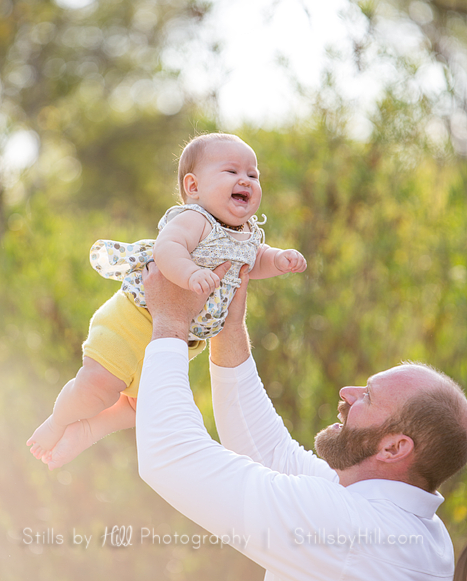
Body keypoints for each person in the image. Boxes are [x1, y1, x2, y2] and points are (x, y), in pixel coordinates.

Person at [136, 261, 467, 581]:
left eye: (368, 396)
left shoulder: (353, 531)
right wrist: (229, 326)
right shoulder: (409, 524)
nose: (347, 393)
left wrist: (170, 323)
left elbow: (169, 456)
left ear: (394, 448)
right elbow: (270, 454)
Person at [27, 133, 306, 469]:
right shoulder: (194, 219)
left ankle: (88, 431)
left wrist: (278, 260)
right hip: (132, 324)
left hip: (178, 341)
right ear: (193, 186)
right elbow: (166, 248)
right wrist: (189, 274)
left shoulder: (247, 235)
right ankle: (58, 421)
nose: (245, 179)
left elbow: (254, 261)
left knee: (138, 407)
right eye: (232, 172)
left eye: (253, 174)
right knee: (96, 388)